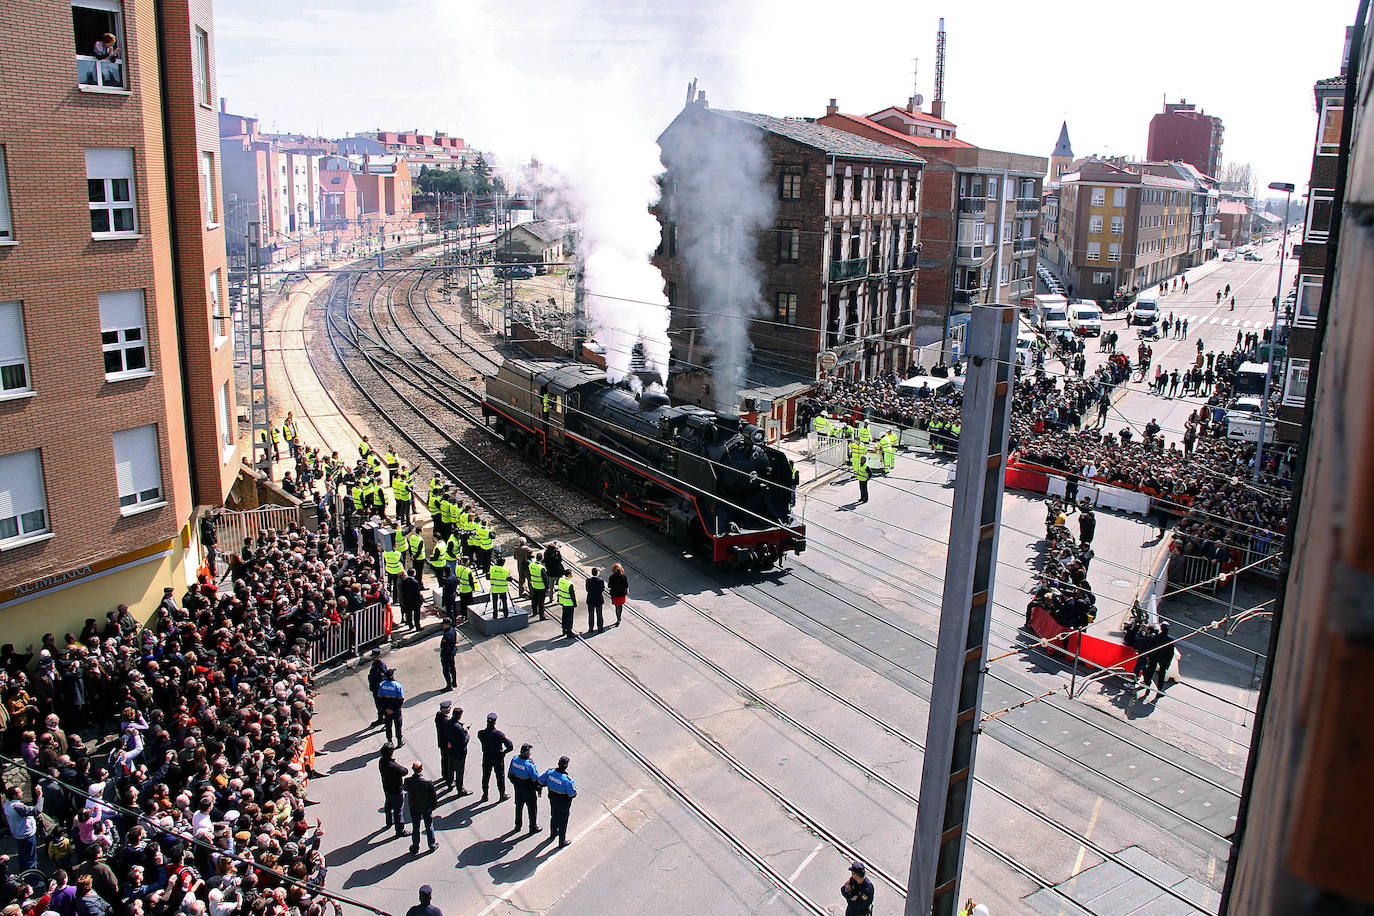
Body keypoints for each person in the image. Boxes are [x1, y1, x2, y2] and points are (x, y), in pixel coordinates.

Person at [539, 756, 577, 848]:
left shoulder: (550, 773)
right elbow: (572, 794)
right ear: (566, 766)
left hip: (552, 800)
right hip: (563, 804)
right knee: (563, 821)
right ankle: (561, 841)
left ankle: (552, 834)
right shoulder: (568, 780)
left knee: (554, 816)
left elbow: (540, 781)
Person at [3, 784, 42, 870]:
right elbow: (37, 810)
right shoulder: (18, 807)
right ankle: (33, 879)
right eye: (20, 792)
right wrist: (39, 796)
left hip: (17, 834)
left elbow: (5, 819)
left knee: (23, 857)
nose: (22, 793)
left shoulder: (6, 805)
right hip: (27, 835)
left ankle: (24, 873)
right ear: (14, 796)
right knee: (31, 858)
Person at [478, 713, 513, 801]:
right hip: (497, 758)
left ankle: (485, 795)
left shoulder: (481, 733)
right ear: (495, 722)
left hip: (486, 757)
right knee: (500, 777)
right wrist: (504, 753)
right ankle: (502, 795)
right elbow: (510, 746)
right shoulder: (499, 734)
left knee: (485, 777)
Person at [404, 762, 438, 854]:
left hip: (414, 807)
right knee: (429, 825)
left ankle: (415, 847)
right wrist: (434, 805)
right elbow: (433, 796)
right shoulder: (427, 782)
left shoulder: (408, 781)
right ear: (421, 769)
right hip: (426, 807)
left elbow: (405, 788)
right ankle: (431, 844)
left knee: (415, 827)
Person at [508, 744, 542, 834]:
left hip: (518, 788)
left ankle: (518, 825)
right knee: (532, 809)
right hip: (528, 789)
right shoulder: (529, 765)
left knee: (519, 807)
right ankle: (533, 827)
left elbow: (510, 774)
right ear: (527, 753)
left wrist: (516, 784)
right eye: (530, 752)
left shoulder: (514, 760)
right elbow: (535, 779)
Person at [378, 744, 407, 838]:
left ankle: (389, 821)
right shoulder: (392, 766)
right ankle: (400, 830)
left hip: (387, 788)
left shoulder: (382, 761)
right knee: (398, 810)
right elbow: (404, 771)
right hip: (396, 789)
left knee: (388, 805)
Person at [445, 708, 473, 797]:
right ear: (459, 716)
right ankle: (460, 790)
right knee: (459, 772)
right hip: (459, 753)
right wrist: (467, 734)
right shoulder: (459, 728)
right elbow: (464, 742)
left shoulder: (448, 723)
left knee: (450, 768)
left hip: (451, 751)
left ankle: (449, 783)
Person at [378, 668, 405, 746]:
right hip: (395, 711)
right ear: (393, 676)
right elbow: (400, 700)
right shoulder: (397, 685)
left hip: (386, 711)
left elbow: (380, 699)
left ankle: (389, 741)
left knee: (388, 726)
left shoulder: (382, 685)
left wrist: (386, 709)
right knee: (398, 726)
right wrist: (393, 709)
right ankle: (399, 742)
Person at [436, 700, 454, 787]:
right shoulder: (446, 721)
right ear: (447, 710)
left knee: (444, 759)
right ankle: (448, 779)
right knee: (448, 761)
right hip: (446, 744)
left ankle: (444, 775)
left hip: (441, 741)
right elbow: (449, 734)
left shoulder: (438, 715)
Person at [367, 648, 388, 725]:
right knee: (378, 705)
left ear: (379, 655)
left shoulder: (381, 665)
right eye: (373, 656)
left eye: (375, 656)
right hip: (374, 687)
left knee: (382, 705)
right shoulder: (375, 663)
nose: (373, 658)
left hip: (379, 689)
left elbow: (384, 677)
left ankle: (386, 721)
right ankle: (380, 719)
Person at [555, 572, 578, 639]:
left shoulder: (561, 580)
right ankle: (569, 632)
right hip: (569, 602)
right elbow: (572, 595)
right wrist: (575, 603)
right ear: (569, 575)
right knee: (569, 618)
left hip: (563, 601)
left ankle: (564, 629)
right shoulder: (570, 584)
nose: (572, 574)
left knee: (564, 616)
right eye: (571, 573)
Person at [585, 567, 606, 634]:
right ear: (597, 573)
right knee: (599, 614)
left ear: (592, 573)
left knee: (591, 614)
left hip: (590, 599)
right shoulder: (601, 580)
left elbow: (587, 589)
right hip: (598, 599)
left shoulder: (588, 580)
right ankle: (600, 628)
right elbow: (602, 589)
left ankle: (591, 628)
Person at [439, 618, 458, 691]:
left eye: (443, 624)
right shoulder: (453, 630)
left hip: (447, 654)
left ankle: (449, 686)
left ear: (447, 625)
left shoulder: (447, 635)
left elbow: (445, 647)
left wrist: (443, 656)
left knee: (446, 670)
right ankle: (454, 682)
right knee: (452, 667)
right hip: (452, 651)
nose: (442, 626)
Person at [528, 553, 548, 620]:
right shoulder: (541, 568)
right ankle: (542, 616)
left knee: (534, 600)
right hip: (541, 586)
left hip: (534, 585)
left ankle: (534, 612)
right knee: (541, 602)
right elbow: (545, 579)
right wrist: (547, 587)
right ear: (541, 558)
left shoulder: (531, 565)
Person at [608, 563, 629, 627]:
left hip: (615, 594)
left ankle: (618, 618)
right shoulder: (623, 576)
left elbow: (609, 586)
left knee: (617, 607)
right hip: (622, 594)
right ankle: (619, 617)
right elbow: (626, 585)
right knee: (620, 606)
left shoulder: (612, 577)